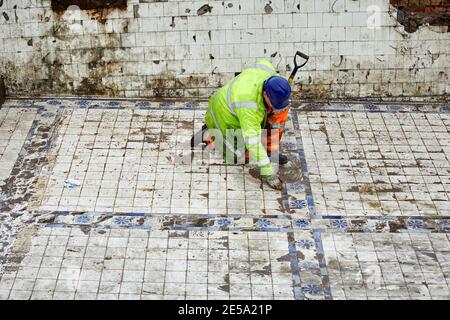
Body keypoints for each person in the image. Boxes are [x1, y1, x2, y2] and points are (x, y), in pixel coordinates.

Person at [196, 59, 291, 190]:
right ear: (265, 94)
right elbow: (252, 141)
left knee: (280, 114)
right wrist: (268, 172)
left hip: (238, 103)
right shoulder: (249, 107)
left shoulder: (271, 77)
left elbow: (262, 62)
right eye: (273, 104)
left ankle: (270, 151)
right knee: (237, 158)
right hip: (224, 113)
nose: (274, 107)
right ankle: (208, 134)